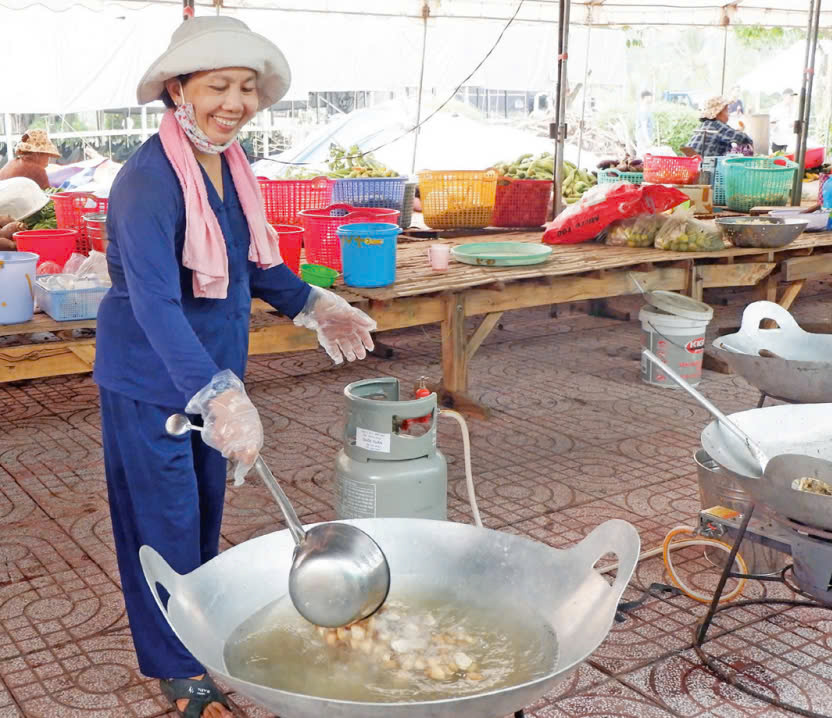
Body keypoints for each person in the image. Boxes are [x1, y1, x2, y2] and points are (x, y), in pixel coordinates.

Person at [92, 16, 377, 718]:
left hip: (213, 377)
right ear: (177, 91)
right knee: (162, 526)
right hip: (153, 379)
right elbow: (156, 303)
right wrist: (217, 391)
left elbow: (256, 263)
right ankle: (175, 666)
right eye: (218, 85)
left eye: (248, 87)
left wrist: (313, 302)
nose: (236, 101)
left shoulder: (230, 164)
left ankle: (196, 628)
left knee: (201, 518)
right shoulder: (149, 181)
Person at [685, 96, 754, 157]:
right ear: (718, 113)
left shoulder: (705, 124)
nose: (729, 114)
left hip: (691, 162)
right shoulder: (717, 125)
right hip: (706, 166)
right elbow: (743, 138)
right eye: (727, 110)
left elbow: (727, 134)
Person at [770, 88, 799, 153]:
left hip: (790, 142)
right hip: (778, 141)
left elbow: (796, 121)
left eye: (793, 96)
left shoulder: (795, 108)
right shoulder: (776, 108)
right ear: (784, 96)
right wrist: (775, 124)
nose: (792, 98)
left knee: (789, 160)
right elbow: (771, 123)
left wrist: (794, 124)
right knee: (777, 161)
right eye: (790, 96)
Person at [636, 90, 656, 156]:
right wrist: (647, 140)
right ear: (644, 98)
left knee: (643, 157)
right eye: (649, 98)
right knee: (643, 157)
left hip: (643, 137)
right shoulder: (644, 110)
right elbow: (643, 126)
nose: (650, 99)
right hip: (643, 138)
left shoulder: (644, 109)